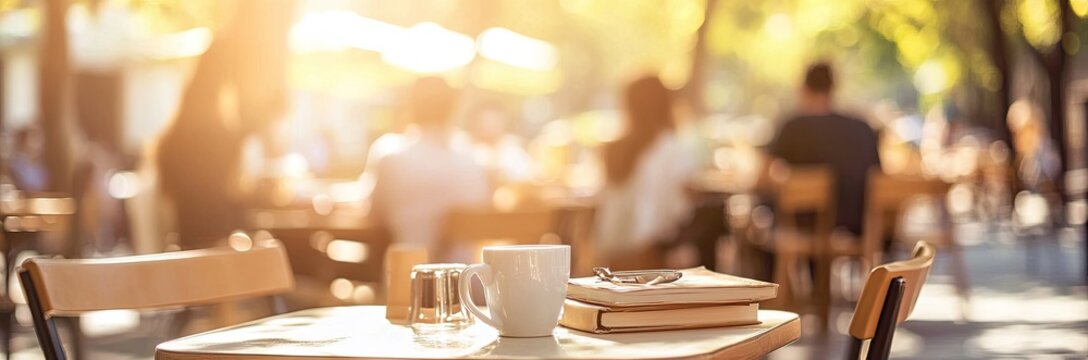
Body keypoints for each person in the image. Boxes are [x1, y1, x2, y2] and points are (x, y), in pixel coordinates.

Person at [370, 77, 489, 253]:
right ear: (453, 109)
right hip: (465, 269)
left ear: (410, 106)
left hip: (405, 267)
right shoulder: (475, 160)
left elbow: (373, 214)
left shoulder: (390, 156)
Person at [769, 62, 881, 236]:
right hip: (858, 228)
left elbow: (763, 176)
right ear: (833, 88)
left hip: (804, 228)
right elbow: (878, 176)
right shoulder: (862, 127)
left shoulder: (793, 127)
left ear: (804, 89)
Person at [595, 75, 694, 269]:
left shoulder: (614, 150)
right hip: (653, 258)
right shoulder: (670, 149)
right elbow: (678, 211)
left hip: (612, 257)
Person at [459, 100, 533, 184]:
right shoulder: (461, 145)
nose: (490, 124)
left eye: (495, 120)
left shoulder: (512, 150)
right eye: (486, 120)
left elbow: (527, 175)